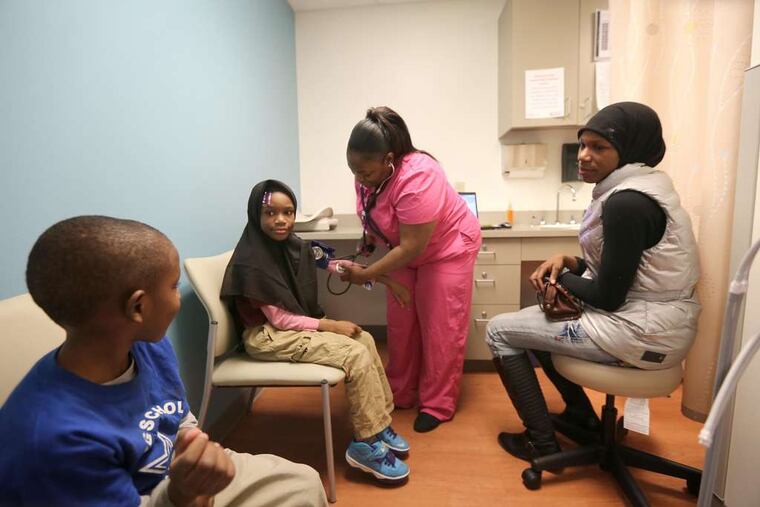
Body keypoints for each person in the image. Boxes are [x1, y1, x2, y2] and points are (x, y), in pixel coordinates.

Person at [0, 215, 327, 506]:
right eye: (172, 286)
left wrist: (195, 451)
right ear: (137, 308)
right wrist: (183, 494)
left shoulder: (144, 345)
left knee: (302, 485)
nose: (177, 299)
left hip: (178, 477)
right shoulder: (54, 441)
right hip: (164, 496)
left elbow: (176, 417)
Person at [485, 101, 700, 467]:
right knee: (536, 324)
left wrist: (560, 277)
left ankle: (542, 444)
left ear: (628, 150)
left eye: (599, 147)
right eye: (583, 144)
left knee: (500, 331)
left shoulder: (626, 204)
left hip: (638, 333)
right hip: (659, 324)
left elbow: (608, 296)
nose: (584, 156)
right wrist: (571, 263)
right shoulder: (647, 190)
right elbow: (635, 270)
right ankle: (580, 416)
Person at [220, 179, 411, 484]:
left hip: (285, 329)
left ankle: (378, 422)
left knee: (365, 339)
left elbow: (320, 259)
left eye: (288, 212)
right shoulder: (252, 261)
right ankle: (366, 443)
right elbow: (281, 320)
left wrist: (348, 269)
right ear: (256, 214)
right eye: (270, 213)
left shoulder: (288, 245)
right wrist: (331, 325)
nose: (281, 220)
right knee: (354, 353)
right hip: (267, 336)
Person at [341, 106, 482, 433]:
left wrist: (367, 273)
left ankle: (437, 403)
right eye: (353, 170)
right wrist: (370, 240)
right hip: (405, 250)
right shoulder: (367, 173)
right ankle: (400, 391)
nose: (359, 178)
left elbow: (413, 245)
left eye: (364, 172)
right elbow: (375, 211)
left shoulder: (419, 175)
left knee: (440, 326)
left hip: (447, 249)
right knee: (401, 321)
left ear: (388, 159)